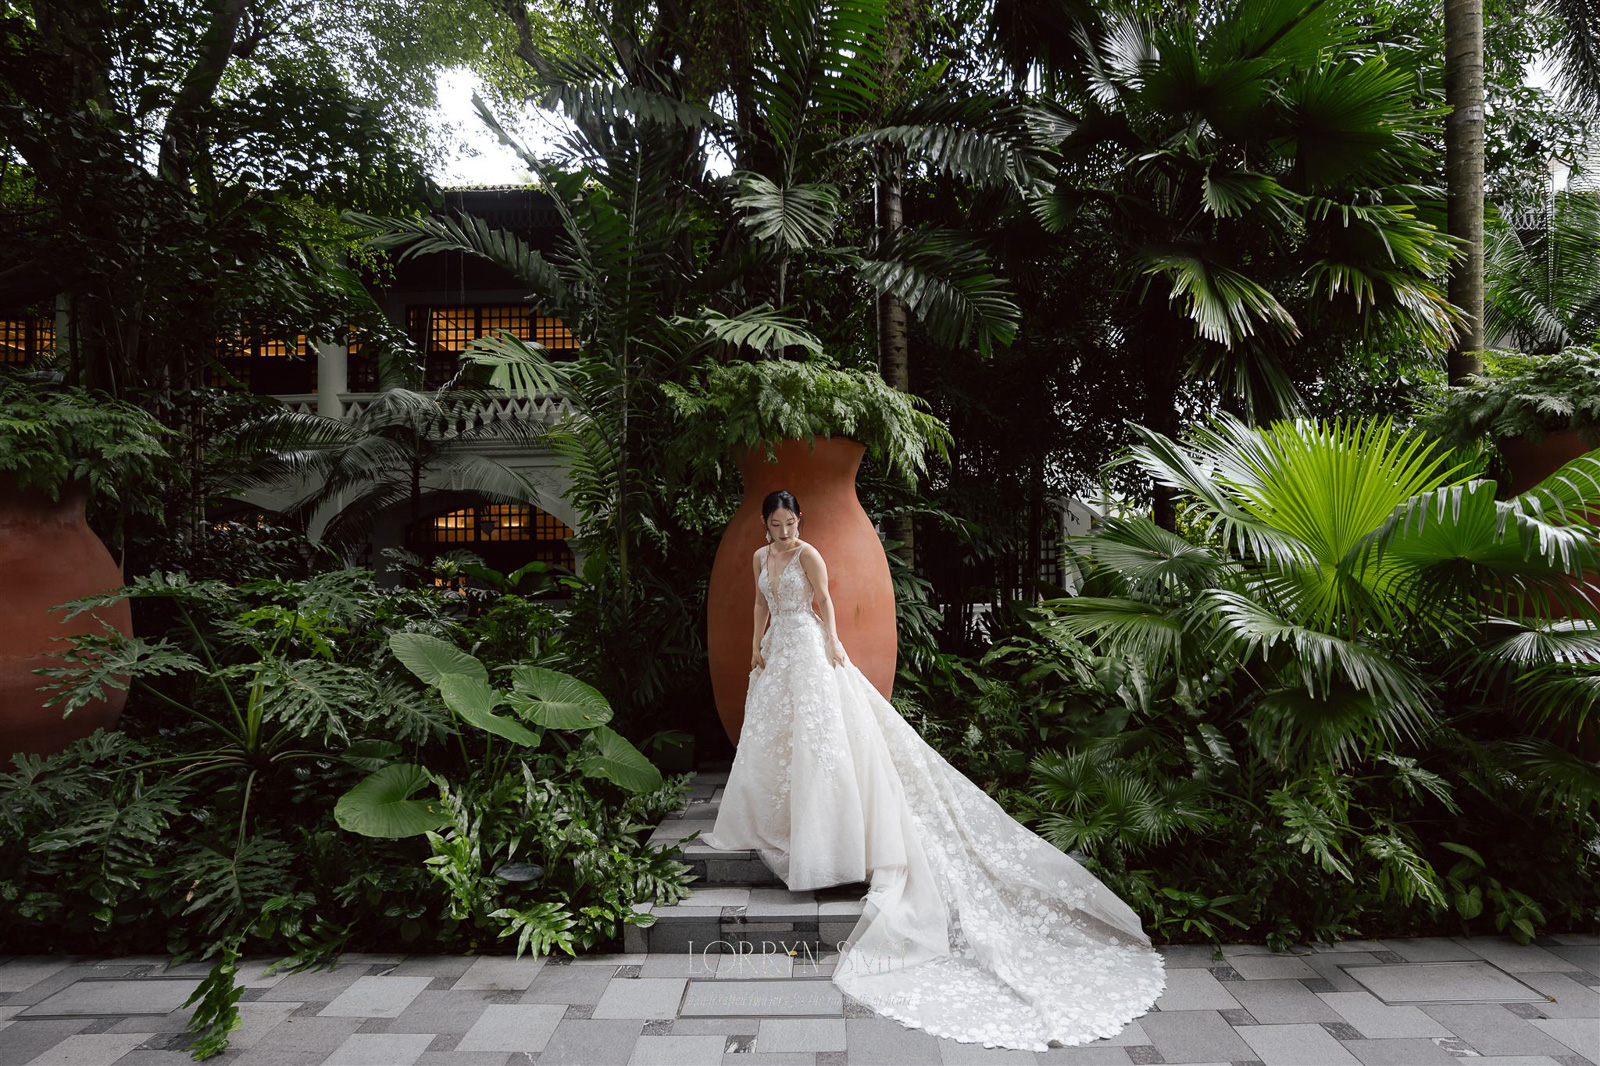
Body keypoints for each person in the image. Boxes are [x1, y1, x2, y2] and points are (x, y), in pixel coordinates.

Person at [701, 490, 1167, 1051]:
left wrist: (833, 648)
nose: (783, 531)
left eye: (790, 521)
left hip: (813, 652)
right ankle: (781, 821)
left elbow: (823, 602)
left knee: (823, 747)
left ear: (800, 519)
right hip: (779, 651)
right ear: (765, 524)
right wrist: (757, 646)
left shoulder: (811, 555)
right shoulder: (759, 557)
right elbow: (759, 606)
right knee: (777, 746)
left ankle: (830, 837)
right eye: (775, 523)